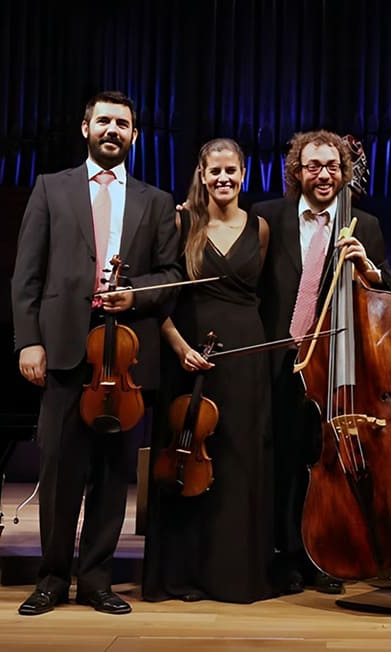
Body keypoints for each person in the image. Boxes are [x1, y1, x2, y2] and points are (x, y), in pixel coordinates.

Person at [11, 90, 180, 615]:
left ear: (135, 136)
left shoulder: (155, 201)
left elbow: (172, 277)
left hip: (123, 357)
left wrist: (137, 294)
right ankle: (52, 577)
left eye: (123, 124)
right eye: (104, 121)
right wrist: (28, 340)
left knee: (112, 474)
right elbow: (27, 275)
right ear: (85, 128)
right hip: (62, 347)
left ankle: (97, 579)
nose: (113, 130)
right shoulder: (50, 188)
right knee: (60, 470)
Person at [253, 129, 389, 595]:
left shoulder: (364, 225)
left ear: (344, 171)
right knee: (282, 463)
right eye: (313, 165)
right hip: (278, 359)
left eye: (332, 166)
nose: (324, 174)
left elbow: (385, 293)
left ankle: (322, 555)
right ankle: (282, 555)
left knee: (323, 463)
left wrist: (369, 267)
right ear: (297, 171)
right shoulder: (266, 217)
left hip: (334, 365)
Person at [141, 138, 276, 603]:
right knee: (186, 461)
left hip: (246, 357)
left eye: (231, 171)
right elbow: (160, 297)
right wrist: (178, 348)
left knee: (239, 461)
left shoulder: (260, 227)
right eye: (214, 170)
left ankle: (233, 576)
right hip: (189, 355)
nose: (223, 179)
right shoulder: (182, 222)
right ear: (201, 173)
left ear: (244, 173)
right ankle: (182, 576)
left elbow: (268, 296)